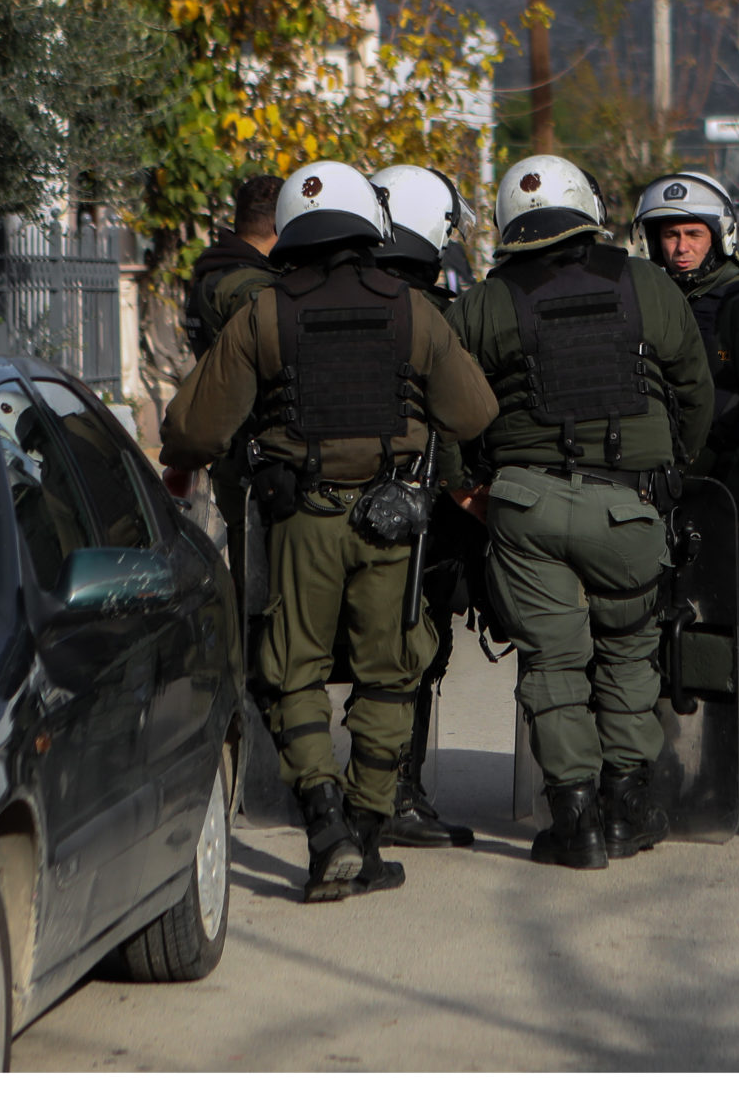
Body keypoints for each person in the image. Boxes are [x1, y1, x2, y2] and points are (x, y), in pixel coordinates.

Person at [161, 163, 498, 903]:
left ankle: (323, 824)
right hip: (393, 522)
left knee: (293, 670)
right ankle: (368, 836)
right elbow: (474, 415)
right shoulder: (415, 311)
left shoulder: (265, 314)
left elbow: (193, 425)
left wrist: (185, 462)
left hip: (301, 521)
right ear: (367, 224)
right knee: (391, 671)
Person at [448, 154, 713, 869]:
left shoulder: (482, 303)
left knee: (554, 661)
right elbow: (694, 387)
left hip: (525, 504)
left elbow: (439, 400)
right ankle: (629, 805)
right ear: (587, 210)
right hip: (631, 505)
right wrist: (673, 471)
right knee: (629, 648)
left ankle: (575, 821)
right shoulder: (651, 287)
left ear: (509, 222)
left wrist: (462, 485)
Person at [633, 170, 739, 779]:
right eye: (668, 235)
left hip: (722, 498)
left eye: (691, 234)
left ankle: (728, 756)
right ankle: (655, 757)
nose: (679, 247)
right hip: (653, 494)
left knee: (727, 626)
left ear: (717, 236)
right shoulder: (644, 302)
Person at [365, 162, 479, 850]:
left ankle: (338, 794)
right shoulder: (434, 315)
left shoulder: (316, 301)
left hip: (323, 506)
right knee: (411, 649)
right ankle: (394, 791)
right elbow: (463, 418)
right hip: (415, 511)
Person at [182, 175, 282, 614]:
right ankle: (262, 678)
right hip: (256, 455)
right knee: (263, 596)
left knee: (252, 581)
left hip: (236, 450)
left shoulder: (211, 272)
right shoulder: (250, 289)